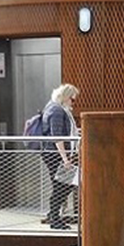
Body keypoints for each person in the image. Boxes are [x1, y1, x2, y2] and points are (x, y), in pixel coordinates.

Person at [41, 84, 80, 230]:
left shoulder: (53, 107)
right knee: (62, 185)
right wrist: (65, 159)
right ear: (65, 97)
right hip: (55, 155)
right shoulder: (57, 110)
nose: (73, 103)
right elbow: (57, 136)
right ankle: (54, 218)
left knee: (63, 185)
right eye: (72, 99)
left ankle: (54, 216)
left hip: (53, 154)